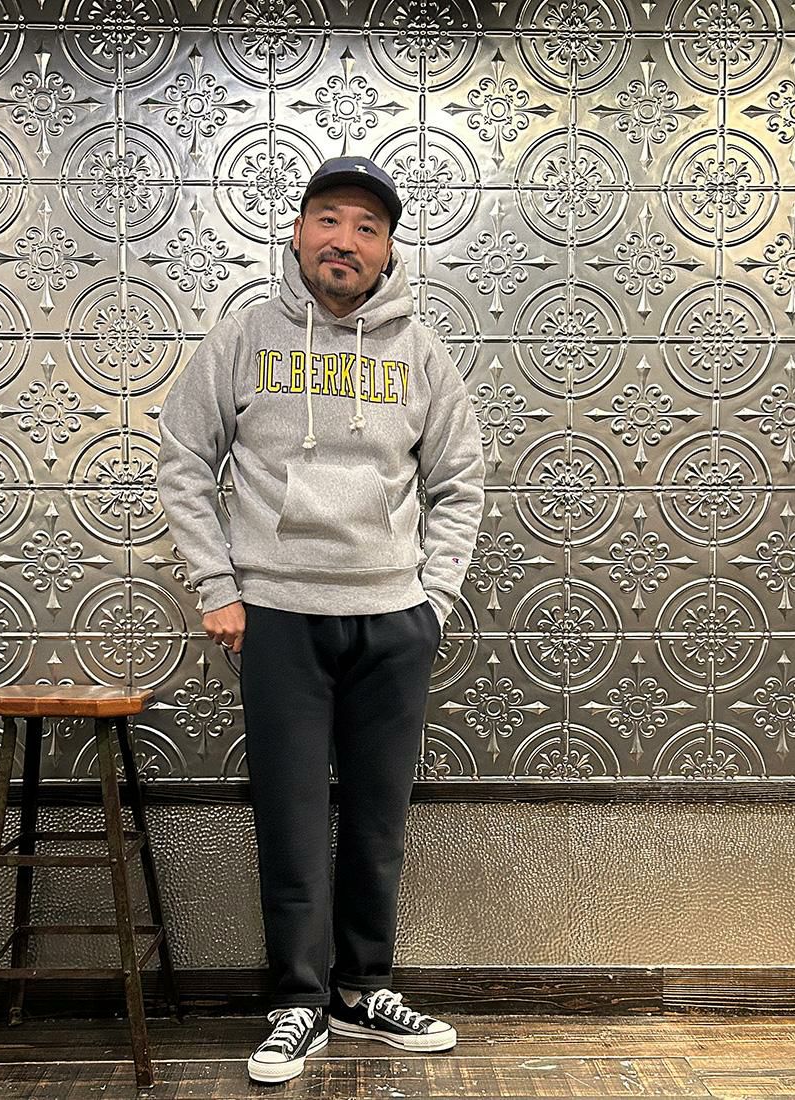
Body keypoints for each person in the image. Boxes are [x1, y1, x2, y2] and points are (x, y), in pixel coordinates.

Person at [156, 156, 486, 1085]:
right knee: (293, 820)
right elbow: (184, 458)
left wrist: (433, 601)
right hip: (278, 619)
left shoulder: (422, 352)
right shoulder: (244, 337)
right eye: (329, 220)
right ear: (299, 232)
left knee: (378, 821)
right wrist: (217, 586)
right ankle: (298, 1002)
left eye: (367, 228)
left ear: (389, 251)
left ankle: (362, 991)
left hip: (392, 620)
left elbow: (460, 480)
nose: (346, 241)